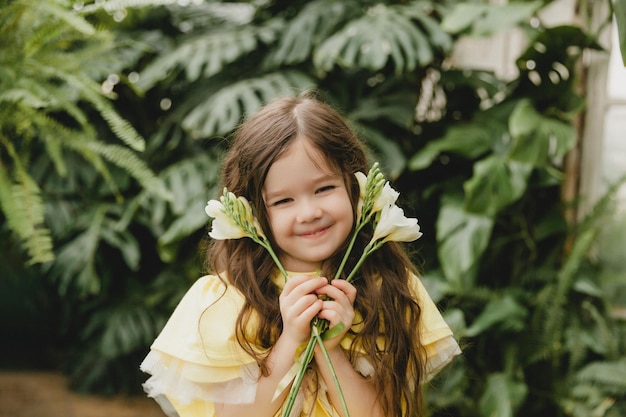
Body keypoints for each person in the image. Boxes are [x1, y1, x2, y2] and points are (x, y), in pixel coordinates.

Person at [140, 92, 461, 417]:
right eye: (282, 201)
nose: (308, 212)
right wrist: (291, 340)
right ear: (251, 213)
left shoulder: (389, 288)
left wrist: (331, 351)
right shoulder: (227, 300)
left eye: (324, 189)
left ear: (356, 187)